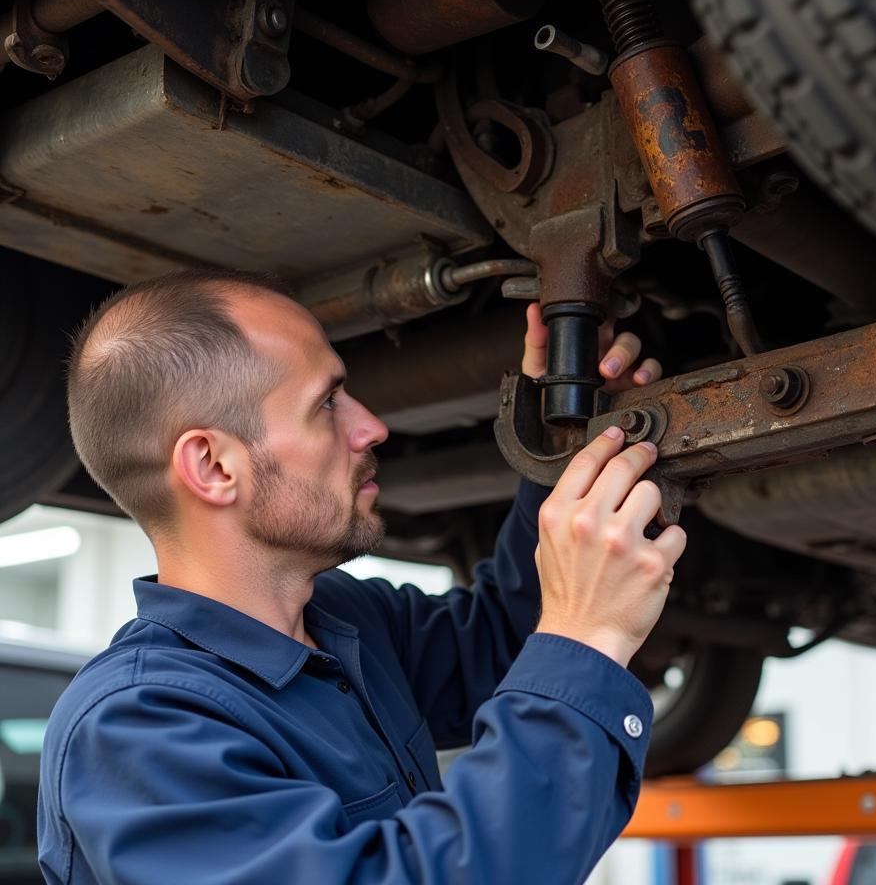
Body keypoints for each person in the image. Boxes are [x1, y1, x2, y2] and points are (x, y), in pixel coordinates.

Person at [37, 269, 687, 885]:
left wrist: (564, 431)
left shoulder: (349, 622)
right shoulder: (138, 730)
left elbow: (502, 642)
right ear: (212, 466)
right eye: (327, 404)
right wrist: (589, 638)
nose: (371, 426)